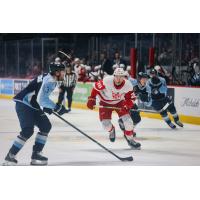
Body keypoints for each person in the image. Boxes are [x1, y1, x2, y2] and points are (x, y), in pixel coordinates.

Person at [3, 63, 67, 166]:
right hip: (24, 104)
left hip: (32, 105)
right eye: (63, 71)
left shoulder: (51, 79)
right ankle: (10, 156)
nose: (65, 74)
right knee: (27, 130)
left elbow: (39, 97)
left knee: (45, 126)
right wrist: (56, 107)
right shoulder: (50, 81)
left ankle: (36, 154)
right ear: (57, 72)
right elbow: (41, 99)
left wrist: (46, 106)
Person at [86, 68, 141, 149]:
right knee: (106, 125)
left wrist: (126, 106)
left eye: (121, 77)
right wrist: (91, 99)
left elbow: (131, 98)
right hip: (105, 102)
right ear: (114, 76)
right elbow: (95, 88)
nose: (119, 79)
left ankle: (130, 140)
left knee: (129, 122)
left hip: (119, 103)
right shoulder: (107, 81)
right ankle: (111, 130)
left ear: (124, 77)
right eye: (117, 76)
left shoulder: (128, 85)